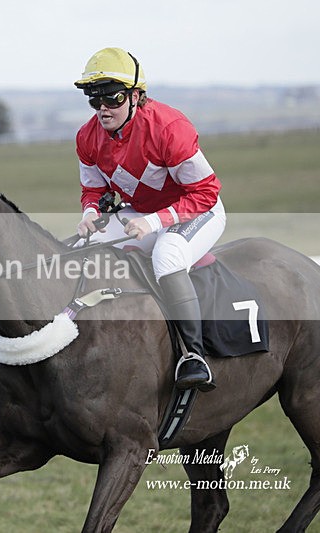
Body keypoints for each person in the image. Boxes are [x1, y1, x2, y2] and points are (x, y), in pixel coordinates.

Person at [74, 47, 226, 391]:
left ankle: (193, 354)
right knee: (87, 246)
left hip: (197, 210)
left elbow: (206, 193)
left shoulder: (170, 128)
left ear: (135, 96)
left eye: (111, 98)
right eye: (94, 100)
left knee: (167, 254)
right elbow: (93, 189)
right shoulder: (87, 137)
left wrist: (154, 223)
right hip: (142, 213)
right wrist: (90, 213)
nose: (102, 109)